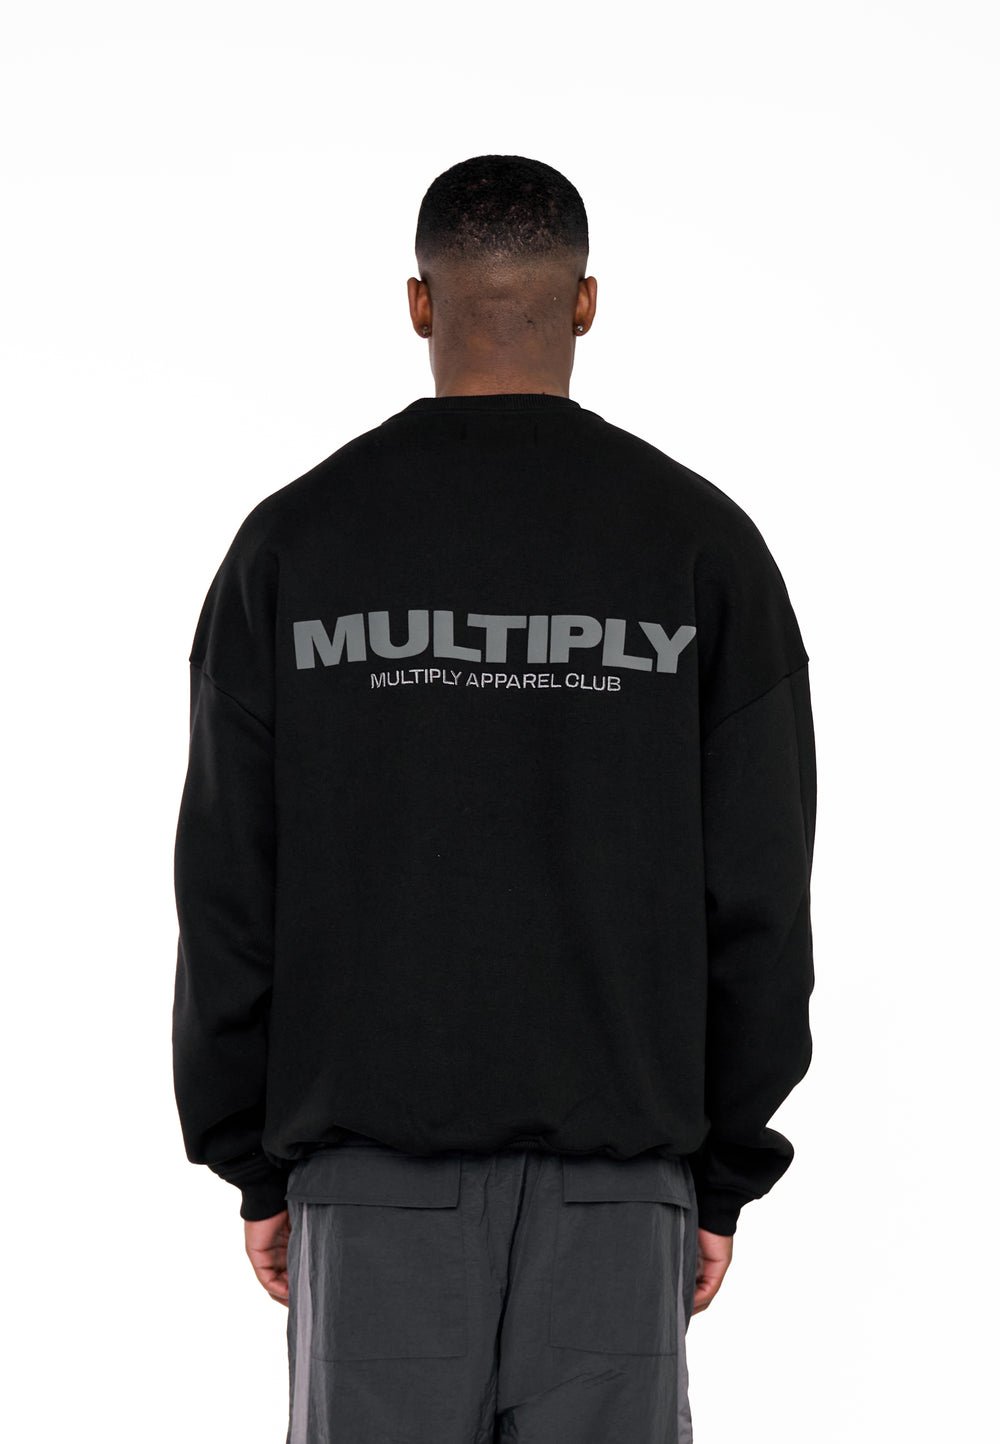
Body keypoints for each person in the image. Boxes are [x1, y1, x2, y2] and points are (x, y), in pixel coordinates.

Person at [171, 153, 817, 1443]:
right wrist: (720, 1173)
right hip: (621, 1193)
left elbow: (230, 887)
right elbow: (758, 893)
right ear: (587, 303)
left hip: (369, 1192)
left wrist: (252, 1158)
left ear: (419, 302)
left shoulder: (296, 543)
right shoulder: (701, 545)